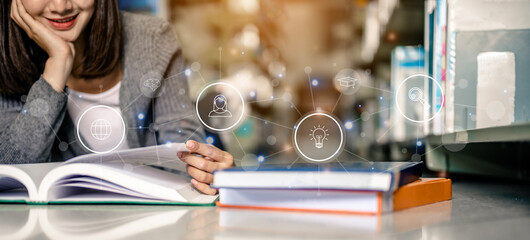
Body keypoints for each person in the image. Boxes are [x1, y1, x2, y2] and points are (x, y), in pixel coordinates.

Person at [0, 0, 232, 195]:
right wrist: (57, 67)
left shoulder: (153, 39)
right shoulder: (5, 57)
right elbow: (10, 171)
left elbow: (184, 161)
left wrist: (207, 170)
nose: (61, 6)